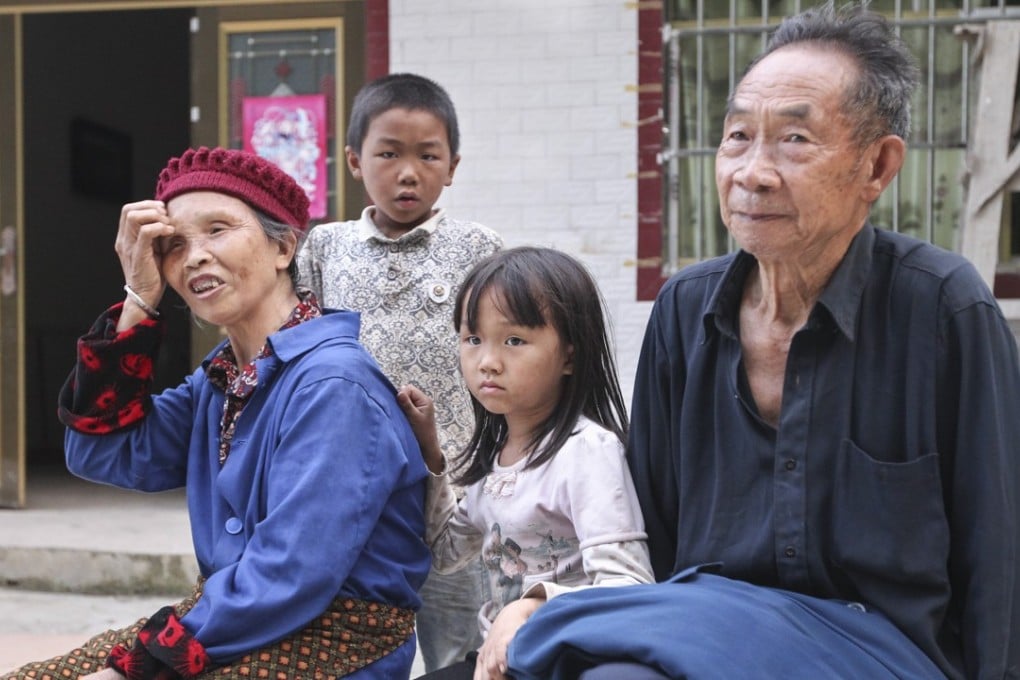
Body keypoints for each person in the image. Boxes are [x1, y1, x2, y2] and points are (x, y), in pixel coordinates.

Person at [505, 3, 1020, 679]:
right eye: (738, 136)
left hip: (882, 651)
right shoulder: (684, 312)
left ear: (877, 167)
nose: (753, 172)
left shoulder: (944, 308)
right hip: (708, 635)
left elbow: (999, 553)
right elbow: (651, 537)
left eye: (795, 141)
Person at [2, 146, 431, 680]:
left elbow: (291, 574)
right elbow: (102, 453)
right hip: (237, 624)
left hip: (334, 641)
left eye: (218, 230)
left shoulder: (333, 384)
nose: (195, 256)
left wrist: (133, 670)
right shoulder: (224, 377)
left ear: (283, 247)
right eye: (175, 245)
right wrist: (139, 296)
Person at [296, 72, 503, 673]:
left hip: (458, 488)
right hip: (353, 487)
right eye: (389, 153)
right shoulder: (324, 248)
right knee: (358, 643)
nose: (408, 172)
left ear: (453, 165)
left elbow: (506, 351)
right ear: (355, 161)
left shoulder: (479, 247)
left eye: (427, 155)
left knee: (462, 644)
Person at [398, 246, 655, 680]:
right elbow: (444, 553)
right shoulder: (495, 463)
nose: (488, 362)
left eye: (514, 340)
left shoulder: (586, 451)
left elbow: (628, 587)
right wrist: (431, 453)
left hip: (563, 660)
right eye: (473, 339)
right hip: (499, 662)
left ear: (570, 356)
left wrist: (530, 604)